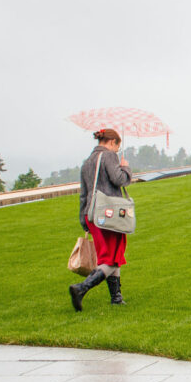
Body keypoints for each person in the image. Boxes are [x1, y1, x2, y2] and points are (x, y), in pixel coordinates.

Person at [70, 128, 133, 311]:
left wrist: (84, 220)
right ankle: (81, 288)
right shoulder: (108, 156)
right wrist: (126, 167)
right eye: (117, 147)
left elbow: (83, 194)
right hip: (110, 213)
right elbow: (119, 179)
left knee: (110, 255)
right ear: (112, 142)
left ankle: (116, 297)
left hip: (92, 215)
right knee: (112, 257)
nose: (117, 151)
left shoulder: (87, 162)